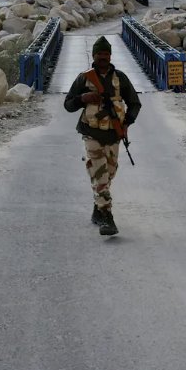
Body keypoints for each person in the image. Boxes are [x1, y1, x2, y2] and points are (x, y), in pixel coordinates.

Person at [63, 36, 141, 236]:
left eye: (106, 54)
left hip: (113, 134)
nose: (103, 58)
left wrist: (126, 123)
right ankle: (107, 218)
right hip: (91, 134)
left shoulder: (120, 78)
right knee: (100, 176)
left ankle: (98, 209)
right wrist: (83, 98)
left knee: (110, 173)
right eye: (99, 54)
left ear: (110, 55)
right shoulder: (84, 78)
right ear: (94, 55)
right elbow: (68, 104)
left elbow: (134, 103)